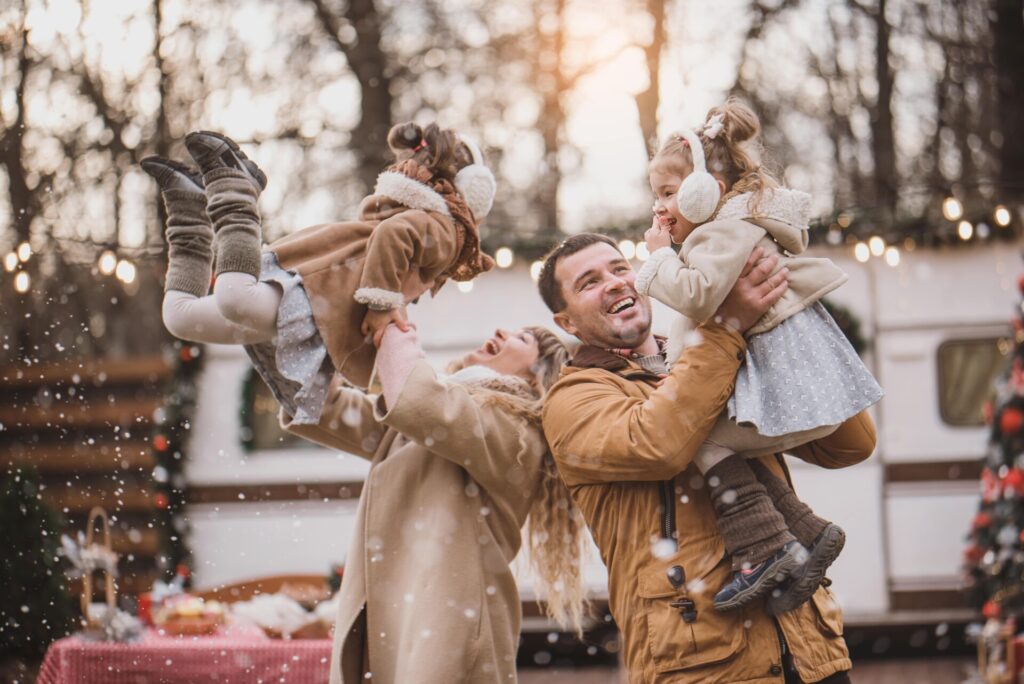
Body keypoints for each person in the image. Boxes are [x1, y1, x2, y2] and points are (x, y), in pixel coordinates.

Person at [538, 233, 877, 683]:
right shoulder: (575, 397)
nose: (615, 283)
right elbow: (659, 443)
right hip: (702, 664)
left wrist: (785, 323)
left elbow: (848, 444)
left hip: (811, 649)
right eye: (589, 282)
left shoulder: (706, 351)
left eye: (620, 269)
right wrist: (728, 325)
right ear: (568, 322)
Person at [636, 97, 883, 613]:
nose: (657, 207)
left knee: (692, 431)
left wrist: (658, 257)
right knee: (711, 436)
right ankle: (803, 530)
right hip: (786, 380)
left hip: (780, 386)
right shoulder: (737, 225)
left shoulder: (724, 231)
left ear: (708, 189)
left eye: (666, 193)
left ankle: (764, 547)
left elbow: (698, 296)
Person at [283, 323, 585, 683]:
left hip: (447, 622)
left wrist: (394, 325)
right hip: (401, 615)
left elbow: (420, 402)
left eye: (522, 339)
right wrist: (302, 326)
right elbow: (326, 410)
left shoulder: (517, 429)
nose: (502, 332)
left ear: (539, 376)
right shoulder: (435, 416)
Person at [140, 122, 496, 426]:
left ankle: (188, 213)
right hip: (316, 297)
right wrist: (382, 304)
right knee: (235, 299)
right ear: (471, 194)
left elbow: (391, 245)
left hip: (312, 293)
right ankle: (236, 186)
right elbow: (394, 238)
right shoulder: (447, 230)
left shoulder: (405, 212)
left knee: (179, 318)